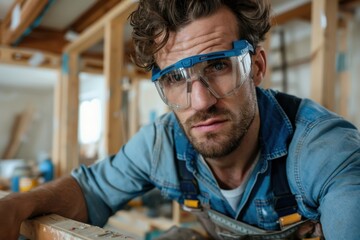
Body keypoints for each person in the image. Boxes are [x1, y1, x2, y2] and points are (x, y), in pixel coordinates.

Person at [1, 0, 359, 239]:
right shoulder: (164, 142)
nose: (200, 101)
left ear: (257, 67)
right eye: (175, 78)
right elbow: (90, 189)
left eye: (218, 65)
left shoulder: (325, 153)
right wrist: (15, 206)